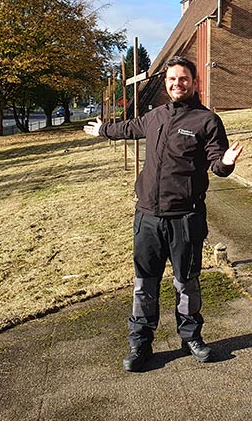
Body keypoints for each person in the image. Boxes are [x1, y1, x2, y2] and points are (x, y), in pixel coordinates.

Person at [83, 56, 243, 371]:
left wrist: (226, 162)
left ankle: (191, 337)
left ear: (195, 82)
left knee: (186, 282)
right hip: (147, 218)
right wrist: (104, 130)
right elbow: (128, 128)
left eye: (183, 78)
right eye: (171, 79)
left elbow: (216, 163)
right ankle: (140, 344)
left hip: (185, 218)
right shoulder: (155, 116)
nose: (176, 84)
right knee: (145, 283)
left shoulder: (206, 121)